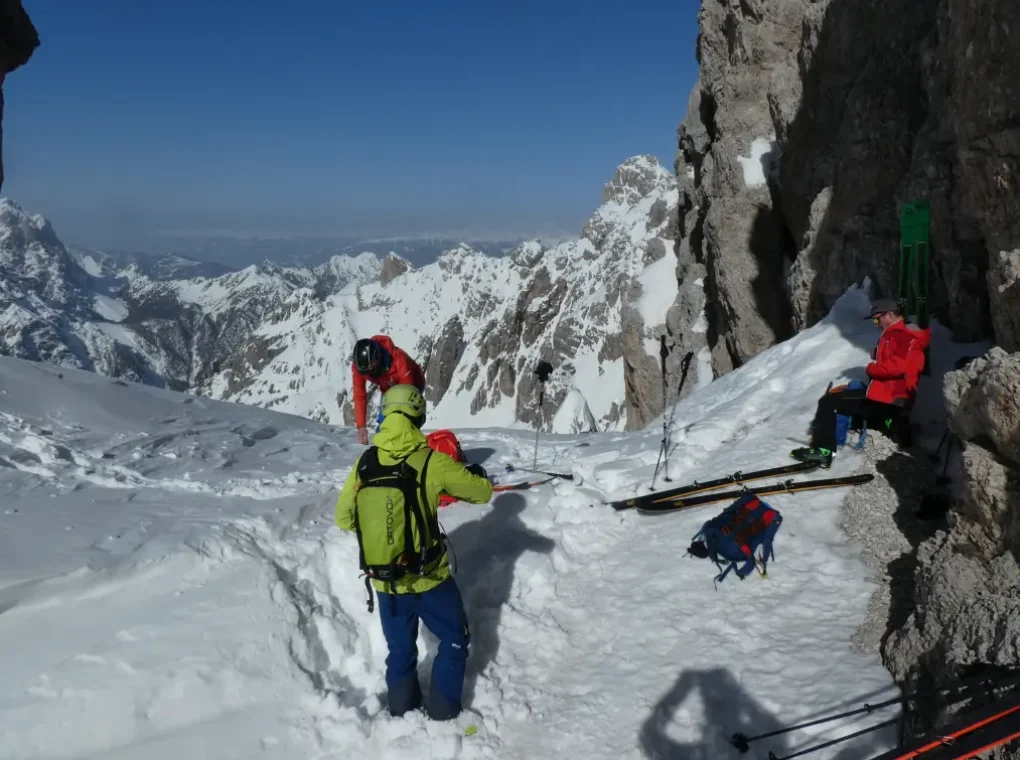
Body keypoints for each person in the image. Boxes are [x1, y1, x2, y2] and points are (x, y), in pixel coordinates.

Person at [334, 384, 492, 721]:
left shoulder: (365, 463)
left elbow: (343, 517)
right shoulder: (431, 461)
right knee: (453, 638)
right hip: (430, 578)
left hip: (385, 583)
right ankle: (443, 712)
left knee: (400, 650)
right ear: (417, 415)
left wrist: (385, 533)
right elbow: (481, 493)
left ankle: (403, 714)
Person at [790, 297, 929, 468]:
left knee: (830, 402)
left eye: (877, 318)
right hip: (889, 396)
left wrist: (871, 369)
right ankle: (891, 423)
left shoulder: (901, 335)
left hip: (889, 397)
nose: (876, 323)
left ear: (890, 314)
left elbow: (898, 366)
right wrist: (878, 353)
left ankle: (824, 451)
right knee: (848, 399)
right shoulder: (899, 334)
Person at [351, 335, 426, 445]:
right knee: (384, 424)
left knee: (406, 421)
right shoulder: (360, 367)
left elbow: (407, 396)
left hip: (413, 384)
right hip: (387, 387)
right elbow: (359, 394)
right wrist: (361, 426)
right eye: (365, 373)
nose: (368, 375)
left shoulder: (398, 361)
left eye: (371, 371)